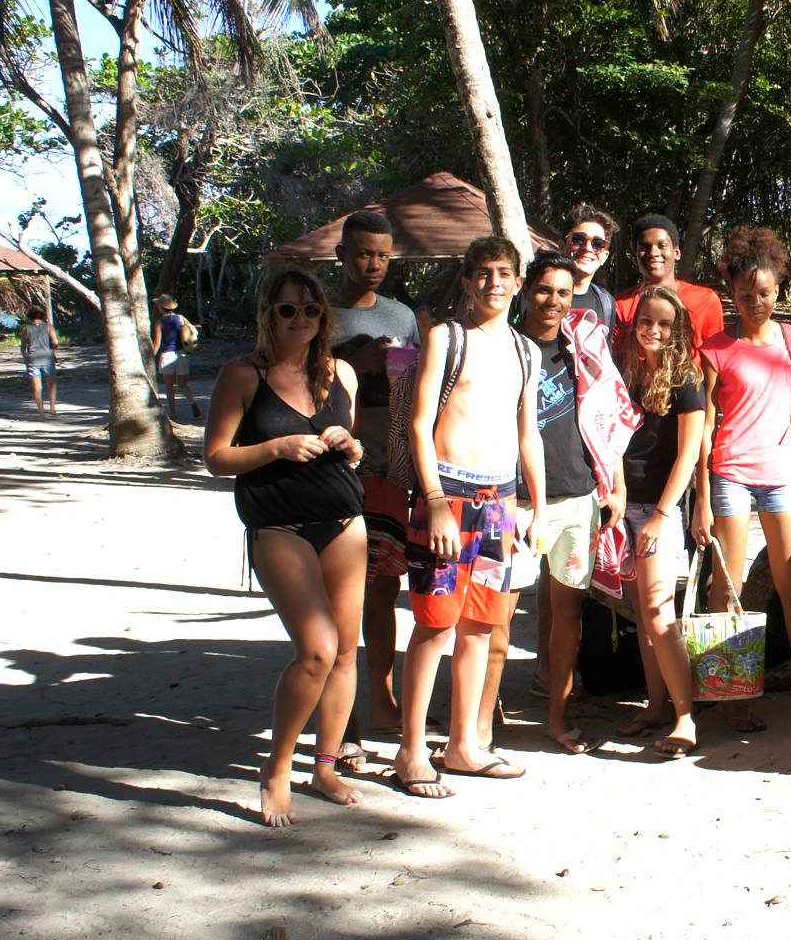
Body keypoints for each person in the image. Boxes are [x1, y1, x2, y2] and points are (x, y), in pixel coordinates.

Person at [203, 269, 366, 826]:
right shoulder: (243, 375)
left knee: (346, 651)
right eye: (287, 310)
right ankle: (276, 769)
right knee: (317, 649)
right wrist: (274, 447)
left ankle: (324, 767)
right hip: (279, 527)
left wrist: (351, 444)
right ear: (268, 314)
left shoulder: (340, 371)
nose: (300, 320)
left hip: (344, 520)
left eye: (310, 310)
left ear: (325, 317)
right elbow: (217, 457)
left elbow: (357, 446)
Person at [391, 236, 545, 798]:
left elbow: (529, 435)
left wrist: (538, 509)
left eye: (505, 273)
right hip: (448, 497)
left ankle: (463, 746)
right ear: (467, 280)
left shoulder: (525, 351)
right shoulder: (445, 338)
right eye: (483, 273)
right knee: (435, 624)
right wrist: (433, 500)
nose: (494, 283)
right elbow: (418, 423)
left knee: (481, 626)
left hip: (501, 505)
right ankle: (411, 752)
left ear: (517, 281)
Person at [693, 225, 791, 731]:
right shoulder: (713, 349)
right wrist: (701, 498)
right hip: (729, 474)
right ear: (731, 290)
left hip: (780, 477)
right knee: (725, 589)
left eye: (766, 292)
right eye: (746, 292)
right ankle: (730, 696)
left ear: (779, 290)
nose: (756, 302)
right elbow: (705, 427)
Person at [505, 255, 627, 755]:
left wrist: (615, 485)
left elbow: (608, 417)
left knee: (567, 613)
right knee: (497, 617)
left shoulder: (583, 350)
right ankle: (482, 718)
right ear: (525, 290)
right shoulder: (505, 350)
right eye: (543, 290)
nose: (553, 301)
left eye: (562, 293)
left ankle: (557, 717)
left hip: (577, 496)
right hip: (513, 501)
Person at [328, 209, 418, 743]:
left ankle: (382, 702)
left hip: (389, 466)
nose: (374, 264)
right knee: (338, 593)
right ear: (342, 254)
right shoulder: (315, 311)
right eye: (364, 253)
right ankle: (342, 718)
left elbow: (412, 395)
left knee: (385, 590)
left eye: (383, 255)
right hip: (332, 470)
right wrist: (354, 362)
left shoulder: (401, 317)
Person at [613, 284, 707, 756]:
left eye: (664, 324)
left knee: (658, 612)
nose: (653, 330)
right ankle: (655, 705)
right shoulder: (625, 372)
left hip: (658, 510)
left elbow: (689, 453)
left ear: (677, 331)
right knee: (642, 615)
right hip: (623, 505)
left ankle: (685, 717)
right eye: (646, 321)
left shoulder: (686, 377)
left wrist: (663, 515)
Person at [613, 215, 726, 354]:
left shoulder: (706, 300)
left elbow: (716, 360)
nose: (653, 253)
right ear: (636, 254)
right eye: (644, 247)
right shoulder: (619, 305)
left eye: (662, 246)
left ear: (676, 253)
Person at [558, 203, 619, 331]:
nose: (587, 248)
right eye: (579, 239)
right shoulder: (536, 292)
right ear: (562, 246)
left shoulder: (606, 304)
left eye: (598, 244)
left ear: (604, 257)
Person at [151, 294, 199, 421]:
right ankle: (193, 403)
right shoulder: (181, 318)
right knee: (183, 384)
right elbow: (193, 331)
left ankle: (173, 413)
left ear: (161, 308)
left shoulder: (159, 322)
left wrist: (151, 357)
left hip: (167, 355)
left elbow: (157, 343)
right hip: (182, 354)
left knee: (169, 387)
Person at [20, 308, 57, 418]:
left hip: (33, 360)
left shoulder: (26, 328)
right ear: (42, 316)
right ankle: (52, 408)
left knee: (37, 388)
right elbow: (55, 342)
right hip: (47, 358)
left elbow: (23, 347)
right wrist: (53, 349)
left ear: (29, 317)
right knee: (51, 385)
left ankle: (41, 413)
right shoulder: (49, 327)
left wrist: (25, 358)